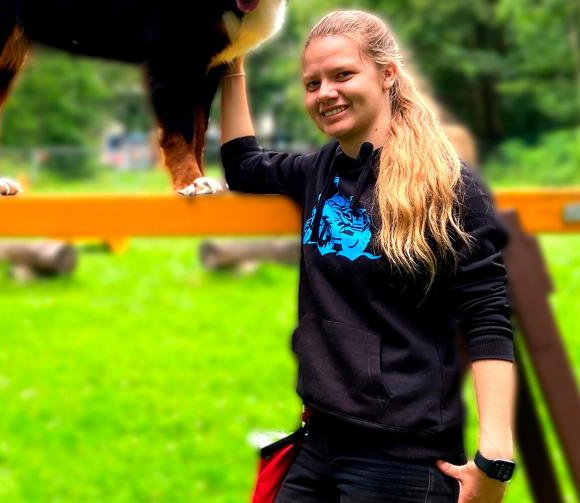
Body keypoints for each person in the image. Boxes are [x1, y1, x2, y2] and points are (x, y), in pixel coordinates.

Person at [220, 10, 516, 503]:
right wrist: (233, 59)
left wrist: (495, 460)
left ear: (387, 75)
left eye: (343, 75)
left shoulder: (447, 186)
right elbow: (243, 165)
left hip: (403, 460)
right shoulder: (319, 170)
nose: (325, 93)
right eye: (312, 83)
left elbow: (487, 317)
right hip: (320, 440)